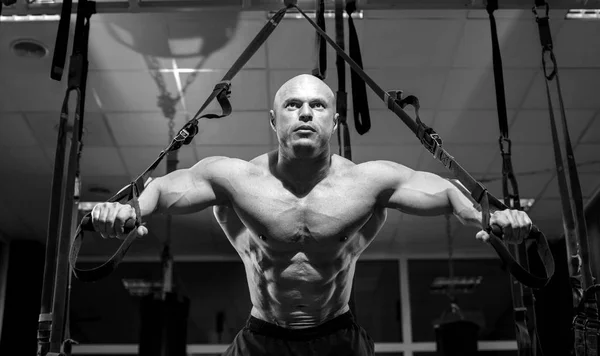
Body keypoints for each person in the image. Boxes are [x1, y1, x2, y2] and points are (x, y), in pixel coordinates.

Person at [91, 74, 532, 355]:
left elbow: (445, 190)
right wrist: (128, 208)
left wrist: (491, 217)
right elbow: (166, 186)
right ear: (274, 120)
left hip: (338, 338)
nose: (305, 112)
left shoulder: (368, 181)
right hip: (262, 337)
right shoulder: (234, 178)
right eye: (293, 105)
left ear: (334, 120)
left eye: (317, 106)